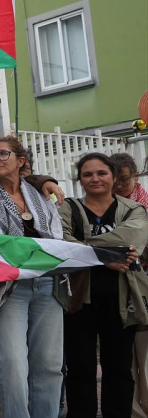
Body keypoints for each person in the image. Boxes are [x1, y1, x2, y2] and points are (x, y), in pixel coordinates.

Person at [0, 136, 66, 418]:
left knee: (49, 363)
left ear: (21, 161)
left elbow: (58, 237)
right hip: (7, 289)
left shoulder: (42, 196)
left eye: (2, 154)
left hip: (47, 284)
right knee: (12, 364)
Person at [59, 152, 148, 418]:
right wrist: (108, 257)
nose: (95, 178)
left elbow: (133, 237)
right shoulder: (68, 208)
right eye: (87, 174)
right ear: (80, 179)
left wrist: (83, 251)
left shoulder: (134, 209)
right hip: (78, 301)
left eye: (101, 173)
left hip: (122, 300)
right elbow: (61, 243)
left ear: (113, 177)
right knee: (80, 369)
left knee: (119, 370)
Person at [111, 153, 148, 418]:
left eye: (125, 179)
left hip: (143, 284)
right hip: (117, 286)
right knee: (125, 357)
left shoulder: (145, 204)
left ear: (136, 175)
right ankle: (134, 411)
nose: (120, 186)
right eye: (116, 180)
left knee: (145, 352)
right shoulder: (104, 205)